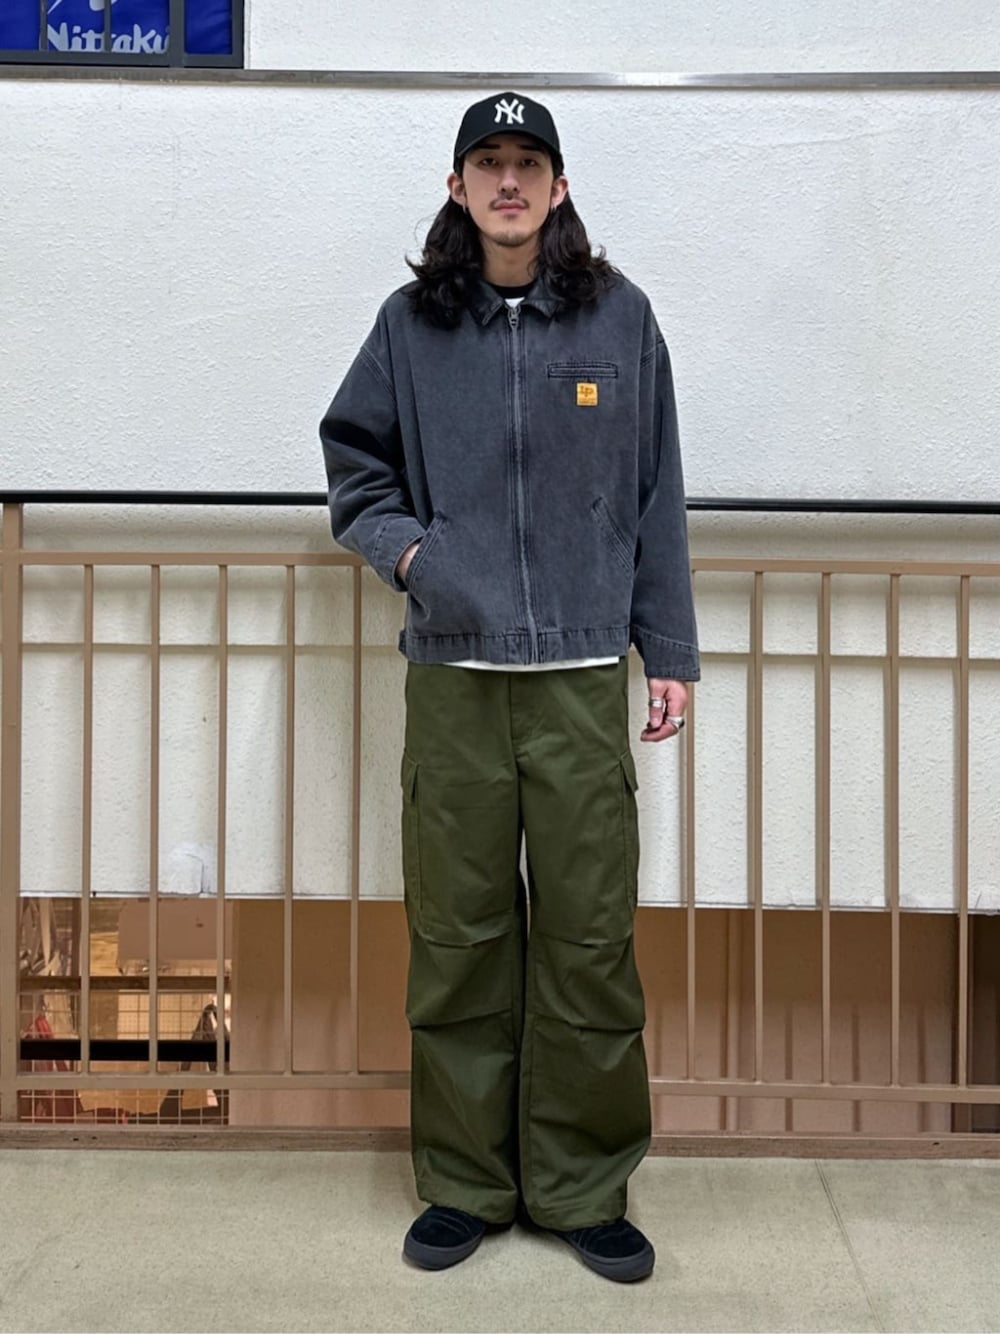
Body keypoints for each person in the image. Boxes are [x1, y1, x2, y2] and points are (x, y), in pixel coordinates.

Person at [320, 91, 700, 1284]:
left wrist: (668, 648)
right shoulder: (409, 326)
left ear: (558, 185)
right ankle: (466, 1181)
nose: (507, 180)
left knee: (588, 941)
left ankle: (582, 1183)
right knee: (460, 939)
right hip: (456, 679)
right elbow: (355, 468)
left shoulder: (619, 318)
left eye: (527, 162)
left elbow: (656, 491)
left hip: (580, 677)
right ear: (456, 187)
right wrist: (416, 560)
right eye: (486, 161)